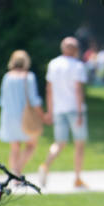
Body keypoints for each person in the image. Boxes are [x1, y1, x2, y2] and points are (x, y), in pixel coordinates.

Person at [39, 36, 89, 190]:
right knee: (79, 144)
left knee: (59, 143)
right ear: (76, 50)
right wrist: (80, 112)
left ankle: (46, 165)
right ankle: (77, 178)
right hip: (74, 108)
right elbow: (78, 90)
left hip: (59, 108)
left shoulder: (53, 64)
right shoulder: (78, 66)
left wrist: (50, 110)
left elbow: (49, 89)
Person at [0, 49, 45, 173]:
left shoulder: (7, 77)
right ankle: (17, 171)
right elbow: (34, 100)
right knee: (31, 145)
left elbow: (2, 100)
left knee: (15, 148)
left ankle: (14, 173)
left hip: (9, 117)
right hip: (25, 116)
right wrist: (42, 115)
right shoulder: (28, 77)